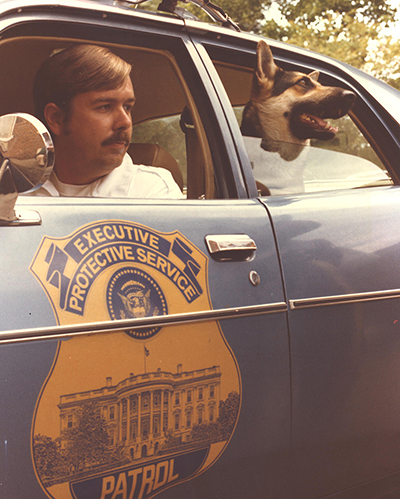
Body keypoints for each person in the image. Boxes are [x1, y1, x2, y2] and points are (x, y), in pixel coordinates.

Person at [30, 44, 183, 198]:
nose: (125, 122)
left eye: (127, 107)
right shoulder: (13, 190)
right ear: (56, 119)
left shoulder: (152, 193)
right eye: (105, 107)